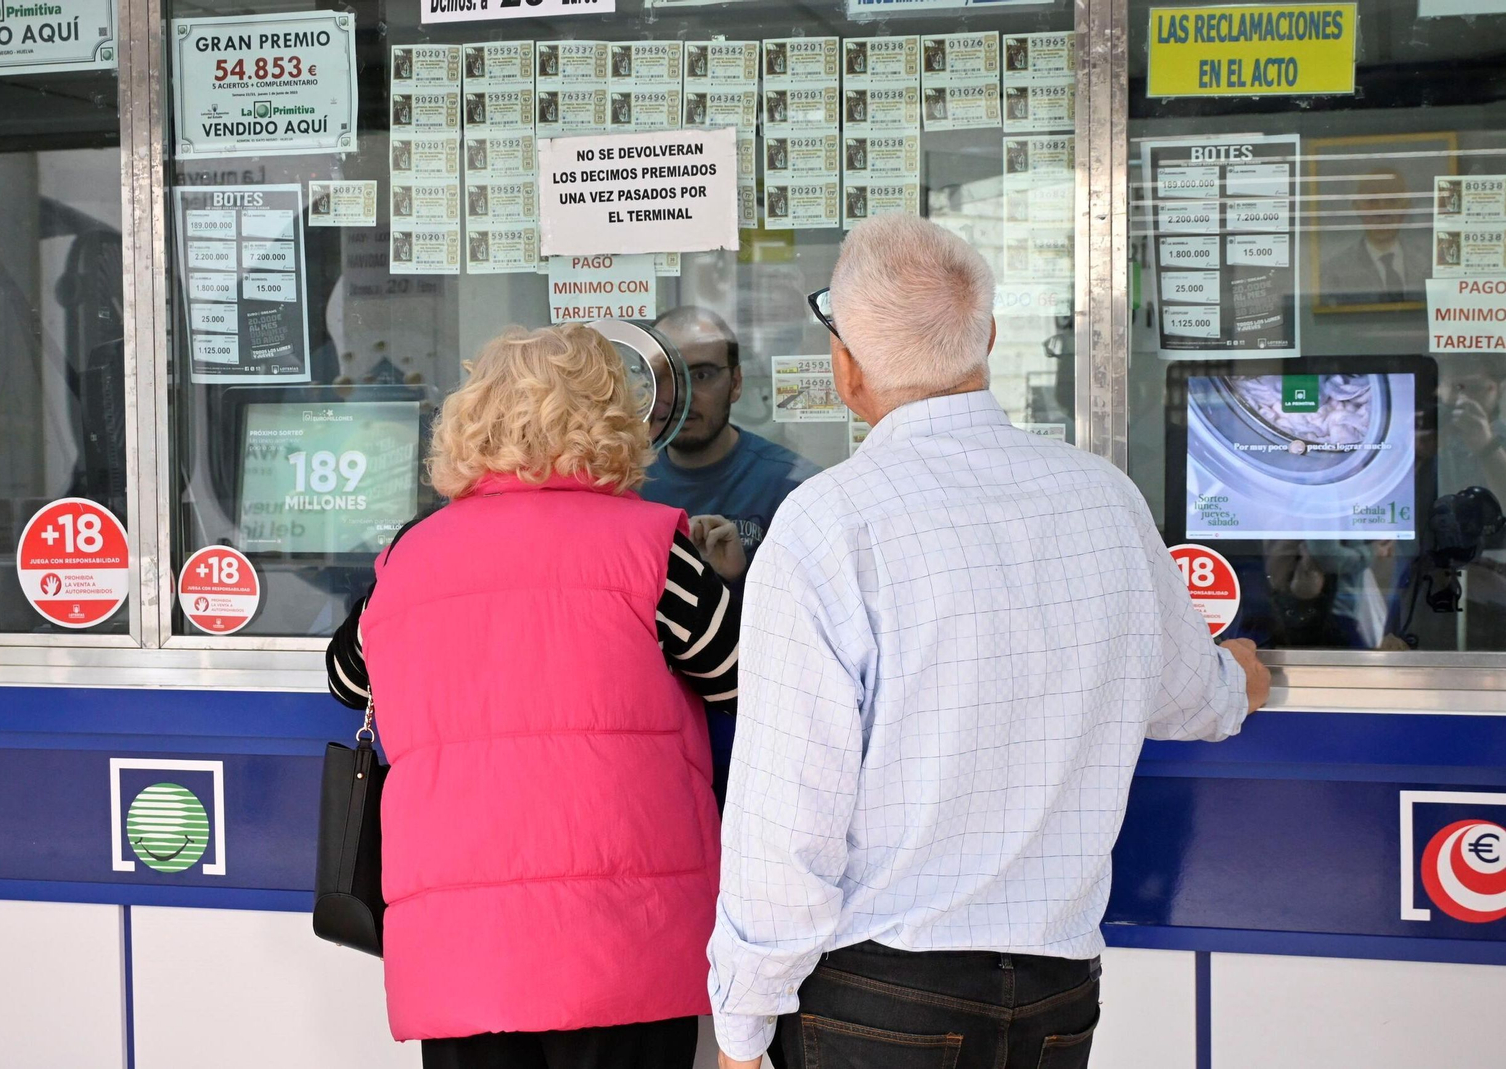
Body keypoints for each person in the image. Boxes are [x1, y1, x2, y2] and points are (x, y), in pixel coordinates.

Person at [707, 215, 1272, 1069]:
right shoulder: (1102, 499)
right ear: (990, 341)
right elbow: (1191, 697)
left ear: (846, 366)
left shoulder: (830, 524)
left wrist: (743, 1027)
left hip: (874, 995)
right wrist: (1240, 680)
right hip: (1053, 992)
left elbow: (788, 818)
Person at [326, 324, 738, 1069]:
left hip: (462, 959)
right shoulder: (651, 550)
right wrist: (725, 578)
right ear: (611, 417)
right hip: (620, 951)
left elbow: (349, 678)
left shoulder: (408, 557)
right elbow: (740, 670)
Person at [640, 305, 819, 805]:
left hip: (761, 746)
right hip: (653, 748)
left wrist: (738, 583)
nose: (682, 394)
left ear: (736, 383)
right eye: (665, 376)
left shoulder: (795, 488)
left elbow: (819, 643)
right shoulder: (620, 487)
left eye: (702, 374)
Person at [1319, 171, 1429, 306]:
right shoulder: (1334, 272)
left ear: (1405, 207)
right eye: (1372, 201)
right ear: (1356, 208)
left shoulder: (1429, 262)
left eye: (1391, 201)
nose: (1381, 211)